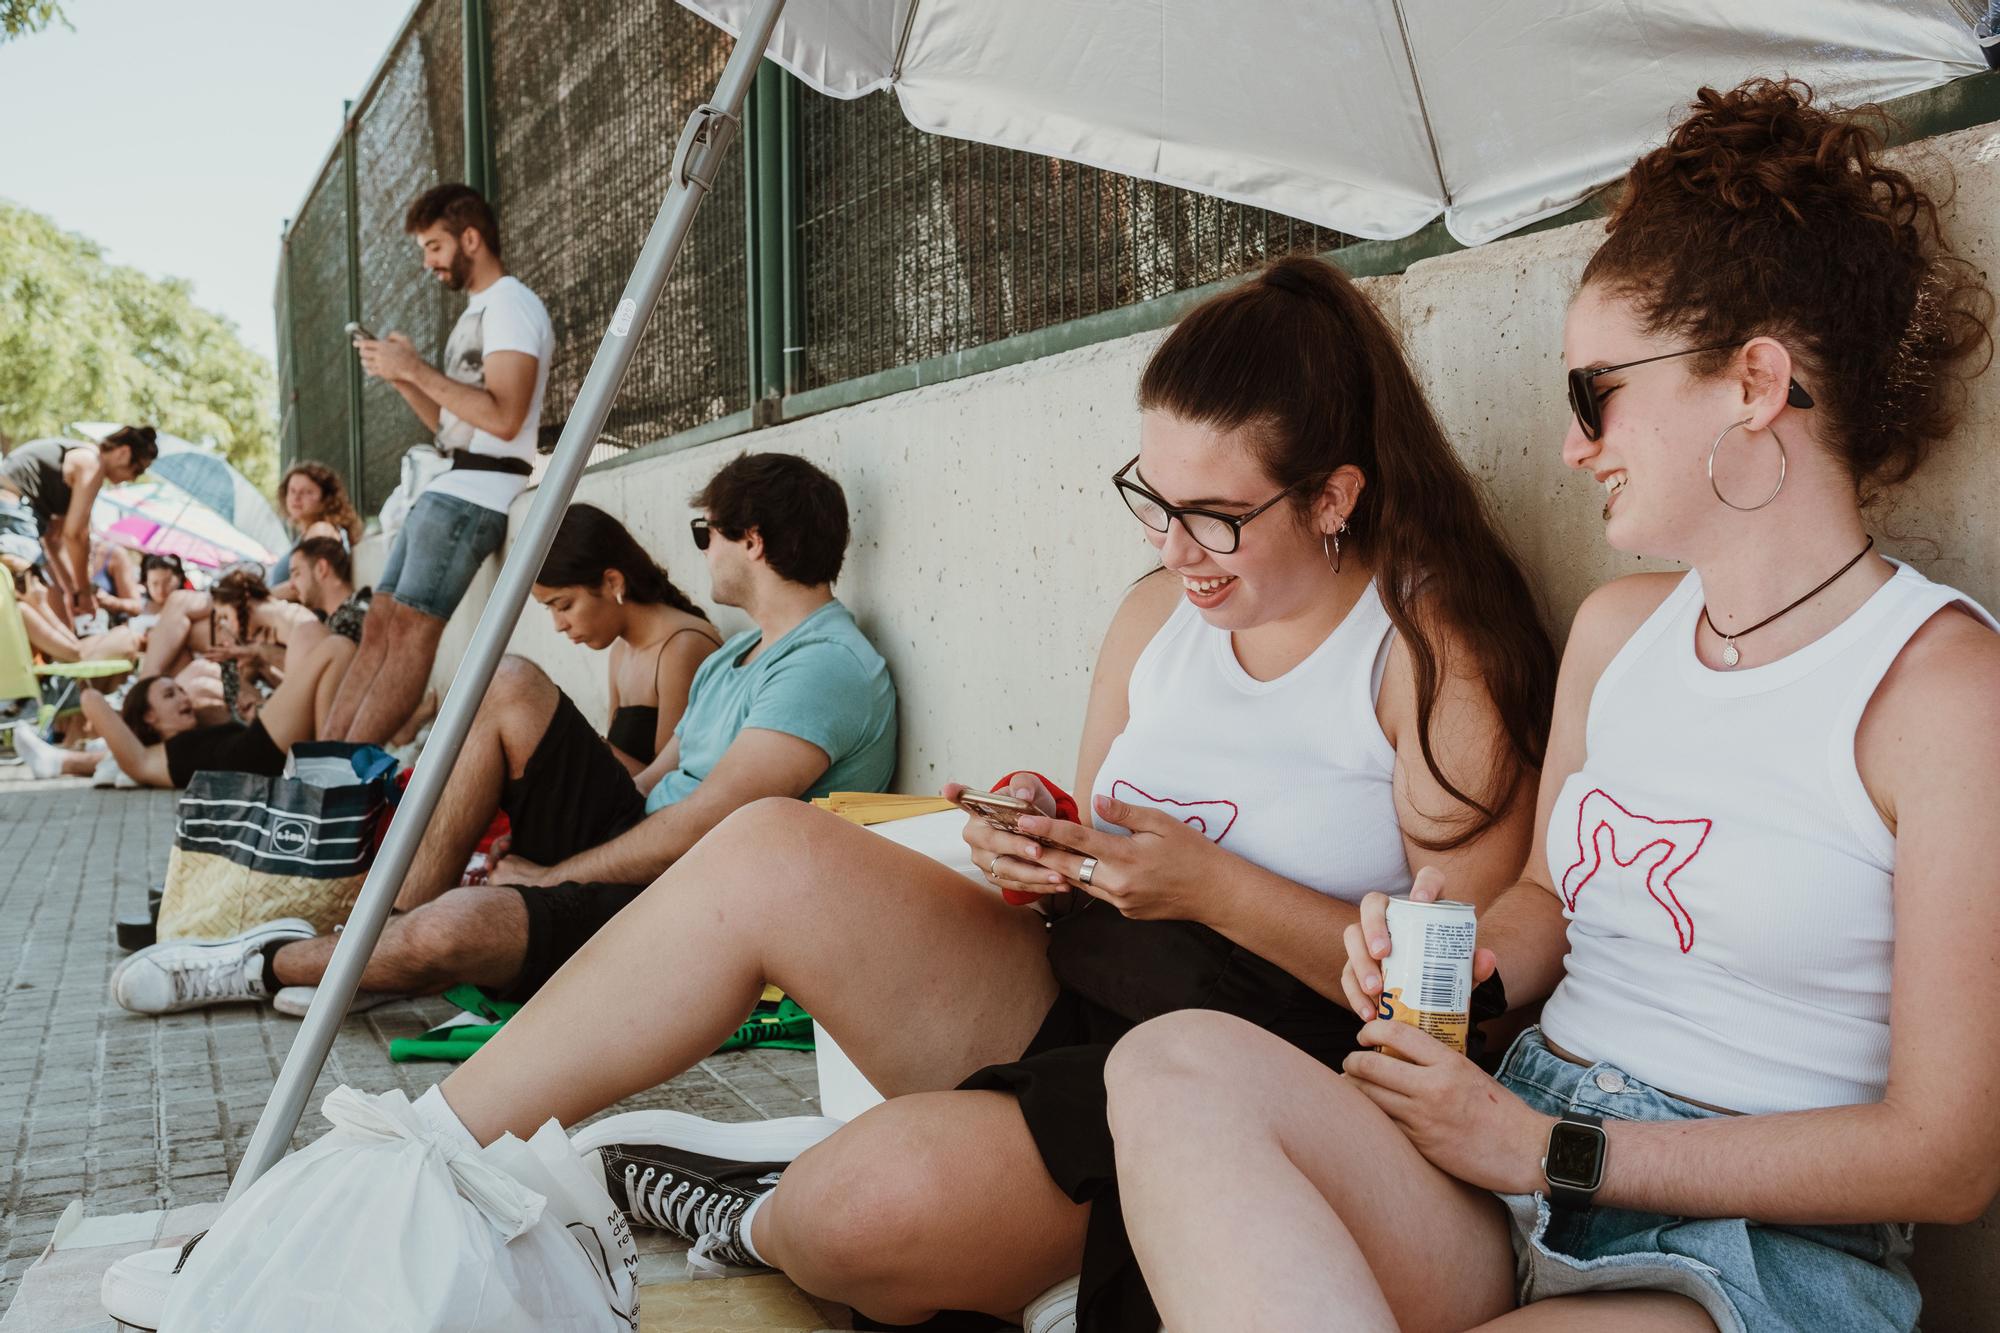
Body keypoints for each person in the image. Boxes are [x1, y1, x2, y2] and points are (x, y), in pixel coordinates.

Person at [242, 254, 1554, 1333]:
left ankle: (755, 1200)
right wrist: (1046, 831)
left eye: (1214, 515)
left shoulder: (1434, 656)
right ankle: (411, 1162)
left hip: (1268, 1080)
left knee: (845, 1219)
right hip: (1081, 984)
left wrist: (1213, 888)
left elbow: (1457, 1025)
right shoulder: (1159, 610)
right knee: (767, 848)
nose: (1173, 548)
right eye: (1152, 498)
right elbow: (1114, 833)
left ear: (1334, 495)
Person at [1100, 79, 2000, 1333]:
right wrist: (1441, 972)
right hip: (1508, 1156)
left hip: (1745, 1248)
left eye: (1595, 396)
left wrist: (1557, 1150)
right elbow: (1543, 905)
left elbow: (1945, 1155)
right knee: (1164, 1065)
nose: (1574, 446)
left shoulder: (1939, 686)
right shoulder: (1619, 631)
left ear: (1751, 382)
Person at [112, 454, 896, 1021]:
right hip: (648, 846)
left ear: (751, 540)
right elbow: (657, 780)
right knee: (509, 680)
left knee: (459, 925)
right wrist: (536, 852)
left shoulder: (823, 666)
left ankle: (253, 962)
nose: (703, 549)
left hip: (699, 888)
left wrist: (552, 879)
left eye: (708, 532)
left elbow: (705, 825)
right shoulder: (736, 653)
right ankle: (378, 938)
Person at [322, 183, 555, 745]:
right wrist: (404, 374)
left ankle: (339, 781)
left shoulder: (510, 306)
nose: (427, 263)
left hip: (479, 493)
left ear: (469, 238)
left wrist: (418, 369)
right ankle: (318, 766)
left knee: (407, 634)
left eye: (434, 246)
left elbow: (504, 419)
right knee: (377, 626)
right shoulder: (479, 311)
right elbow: (452, 425)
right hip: (447, 484)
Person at [80, 631, 357, 790]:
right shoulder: (147, 760)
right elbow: (90, 699)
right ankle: (327, 772)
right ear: (149, 716)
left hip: (261, 746)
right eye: (168, 694)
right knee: (335, 647)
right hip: (258, 751)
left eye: (180, 690)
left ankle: (327, 768)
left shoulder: (202, 729)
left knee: (328, 650)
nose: (182, 697)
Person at [0, 426, 157, 622]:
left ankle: (67, 650)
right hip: (11, 508)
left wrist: (73, 590)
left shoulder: (80, 466)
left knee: (54, 594)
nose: (134, 478)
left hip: (22, 515)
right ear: (124, 453)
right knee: (38, 593)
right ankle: (69, 652)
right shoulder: (92, 463)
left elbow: (54, 539)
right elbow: (76, 536)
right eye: (138, 469)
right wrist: (85, 592)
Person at [268, 462, 364, 596]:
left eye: (307, 492)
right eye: (292, 491)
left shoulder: (322, 531)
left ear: (326, 499)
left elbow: (310, 585)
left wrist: (262, 597)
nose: (296, 497)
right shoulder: (307, 534)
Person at [287, 535, 368, 642]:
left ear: (321, 569)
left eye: (297, 574)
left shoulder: (350, 621)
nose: (291, 586)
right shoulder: (341, 618)